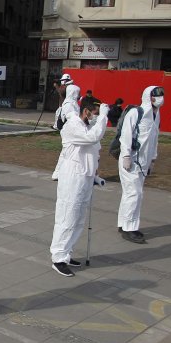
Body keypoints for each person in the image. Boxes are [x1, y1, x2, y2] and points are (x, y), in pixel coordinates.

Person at [50, 97, 109, 277]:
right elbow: (92, 138)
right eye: (96, 114)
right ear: (86, 111)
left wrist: (95, 177)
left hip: (84, 177)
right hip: (72, 177)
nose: (97, 118)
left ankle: (67, 254)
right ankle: (58, 257)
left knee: (78, 219)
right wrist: (104, 118)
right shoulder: (72, 126)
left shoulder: (86, 127)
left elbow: (90, 153)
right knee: (68, 216)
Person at [117, 86, 164, 243]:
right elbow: (126, 136)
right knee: (135, 194)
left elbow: (154, 139)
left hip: (143, 162)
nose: (160, 98)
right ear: (148, 97)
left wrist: (152, 159)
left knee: (130, 193)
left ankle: (123, 223)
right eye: (157, 95)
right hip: (130, 160)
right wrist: (125, 156)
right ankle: (129, 228)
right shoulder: (136, 113)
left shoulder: (156, 116)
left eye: (162, 95)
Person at [51, 83, 82, 180]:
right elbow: (71, 119)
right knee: (66, 153)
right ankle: (58, 173)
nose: (79, 94)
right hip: (69, 132)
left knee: (67, 153)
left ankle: (59, 172)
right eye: (77, 92)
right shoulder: (69, 104)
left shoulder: (72, 103)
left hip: (71, 131)